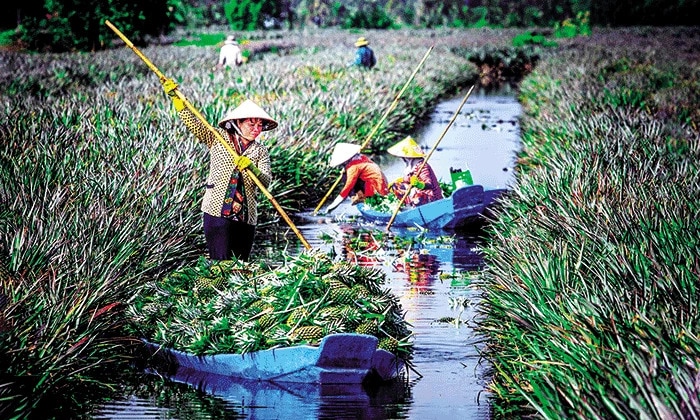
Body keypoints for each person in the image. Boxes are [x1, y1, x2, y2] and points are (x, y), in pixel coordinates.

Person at [161, 78, 277, 261]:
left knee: (241, 265)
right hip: (217, 212)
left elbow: (265, 182)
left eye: (260, 125)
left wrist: (252, 169)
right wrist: (177, 100)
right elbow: (195, 125)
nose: (256, 129)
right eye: (251, 124)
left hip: (246, 217)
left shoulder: (260, 151)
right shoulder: (219, 138)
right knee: (220, 263)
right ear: (238, 124)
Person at [325, 143, 388, 213]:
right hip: (382, 184)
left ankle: (360, 198)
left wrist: (332, 206)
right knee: (345, 175)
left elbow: (347, 188)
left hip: (375, 189)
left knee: (345, 177)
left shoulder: (353, 168)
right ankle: (360, 196)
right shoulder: (361, 157)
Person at [388, 136, 443, 207]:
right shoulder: (411, 166)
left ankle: (415, 207)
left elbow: (429, 185)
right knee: (396, 186)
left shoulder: (422, 166)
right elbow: (408, 180)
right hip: (417, 194)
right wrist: (400, 181)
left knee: (417, 196)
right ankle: (407, 206)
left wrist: (419, 184)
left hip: (431, 197)